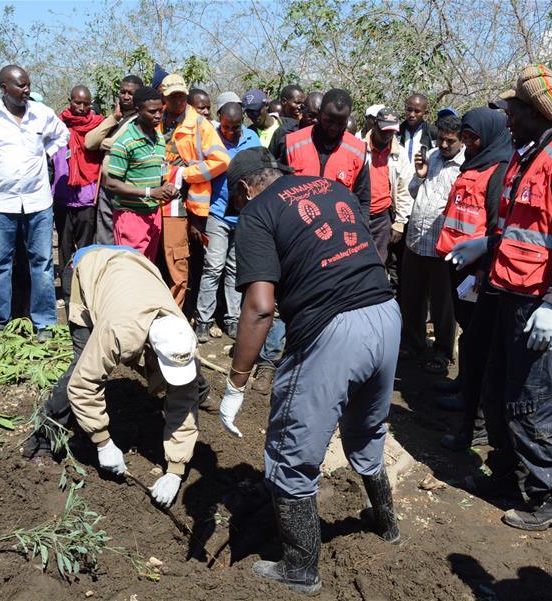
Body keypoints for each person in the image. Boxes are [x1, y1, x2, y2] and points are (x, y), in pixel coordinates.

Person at [219, 147, 401, 594]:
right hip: (386, 315)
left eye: (235, 200)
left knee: (289, 451)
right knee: (368, 427)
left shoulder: (258, 212)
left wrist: (236, 381)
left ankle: (300, 568)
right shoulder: (329, 186)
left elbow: (260, 308)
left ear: (244, 189)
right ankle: (388, 526)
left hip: (334, 333)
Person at [455, 64, 552, 530]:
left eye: (514, 108)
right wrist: (486, 245)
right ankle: (507, 475)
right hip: (507, 292)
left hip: (538, 302)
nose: (508, 116)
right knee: (497, 389)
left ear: (535, 111)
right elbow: (520, 228)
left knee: (529, 398)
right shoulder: (527, 153)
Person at [22, 245, 203, 508]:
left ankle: (196, 389)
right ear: (150, 350)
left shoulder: (183, 337)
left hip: (133, 268)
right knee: (82, 364)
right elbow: (84, 385)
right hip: (88, 269)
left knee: (189, 384)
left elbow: (184, 401)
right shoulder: (119, 332)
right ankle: (41, 442)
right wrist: (102, 441)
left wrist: (175, 470)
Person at [0, 64, 70, 341]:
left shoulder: (42, 114)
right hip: (1, 202)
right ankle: (0, 324)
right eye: (20, 85)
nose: (26, 89)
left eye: (28, 84)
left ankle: (44, 323)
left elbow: (63, 135)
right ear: (4, 88)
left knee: (42, 263)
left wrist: (47, 153)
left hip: (37, 201)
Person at [433, 107, 513, 450]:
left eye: (471, 138)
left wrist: (483, 268)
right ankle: (464, 384)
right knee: (468, 331)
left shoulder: (499, 169)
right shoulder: (474, 164)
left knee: (479, 337)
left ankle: (473, 401)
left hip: (477, 268)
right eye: (464, 137)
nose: (467, 143)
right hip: (456, 258)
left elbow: (497, 225)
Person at [399, 113, 465, 373]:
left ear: (461, 140)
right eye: (441, 139)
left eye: (450, 141)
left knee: (443, 302)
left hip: (443, 245)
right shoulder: (433, 157)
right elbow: (414, 191)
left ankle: (442, 351)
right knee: (412, 297)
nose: (445, 145)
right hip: (417, 239)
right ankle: (414, 342)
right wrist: (420, 175)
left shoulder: (466, 165)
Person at [159, 73, 230, 308]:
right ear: (164, 97)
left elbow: (221, 160)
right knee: (163, 259)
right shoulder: (157, 120)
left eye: (182, 95)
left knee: (185, 259)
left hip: (190, 203)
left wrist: (185, 174)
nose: (179, 100)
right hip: (158, 199)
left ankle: (181, 313)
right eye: (173, 96)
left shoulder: (199, 124)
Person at [194, 102, 261, 343]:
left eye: (236, 126)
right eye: (227, 127)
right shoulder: (211, 137)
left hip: (243, 215)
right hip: (218, 212)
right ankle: (204, 320)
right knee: (213, 266)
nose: (232, 132)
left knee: (235, 267)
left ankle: (232, 319)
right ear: (219, 120)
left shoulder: (253, 138)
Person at [102, 86, 177, 261]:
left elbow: (160, 176)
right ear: (138, 111)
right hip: (131, 217)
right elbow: (111, 183)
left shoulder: (158, 139)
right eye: (152, 112)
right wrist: (150, 192)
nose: (158, 116)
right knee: (132, 271)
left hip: (153, 214)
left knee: (148, 268)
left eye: (160, 110)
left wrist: (167, 188)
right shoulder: (125, 142)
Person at [283, 89, 370, 216]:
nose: (334, 127)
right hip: (296, 227)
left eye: (341, 123)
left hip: (338, 229)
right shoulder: (291, 143)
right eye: (329, 120)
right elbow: (278, 192)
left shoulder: (358, 151)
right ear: (319, 114)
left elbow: (363, 202)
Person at [85, 74, 144, 245]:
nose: (126, 97)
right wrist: (113, 118)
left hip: (127, 188)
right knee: (105, 237)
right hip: (106, 187)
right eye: (122, 92)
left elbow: (129, 145)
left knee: (124, 237)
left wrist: (106, 143)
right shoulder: (116, 120)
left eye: (131, 93)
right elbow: (90, 142)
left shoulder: (141, 120)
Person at [53, 86, 105, 270]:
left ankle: (83, 293)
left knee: (86, 248)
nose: (82, 107)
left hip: (87, 196)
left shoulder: (99, 125)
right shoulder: (57, 125)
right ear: (70, 100)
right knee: (65, 246)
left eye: (86, 103)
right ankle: (67, 294)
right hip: (62, 196)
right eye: (77, 102)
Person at [362, 107, 413, 263]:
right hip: (359, 215)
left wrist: (399, 223)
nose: (387, 135)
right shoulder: (359, 148)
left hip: (382, 219)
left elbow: (404, 189)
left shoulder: (400, 154)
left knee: (378, 262)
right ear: (375, 125)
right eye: (384, 130)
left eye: (391, 132)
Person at [398, 93, 437, 164]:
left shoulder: (433, 133)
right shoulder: (396, 133)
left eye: (417, 111)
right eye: (409, 110)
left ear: (425, 113)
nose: (412, 115)